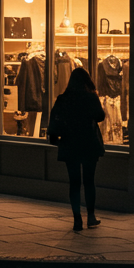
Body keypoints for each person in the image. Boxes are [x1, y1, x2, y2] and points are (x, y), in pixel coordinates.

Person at [49, 67, 105, 231]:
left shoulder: (63, 99)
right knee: (89, 181)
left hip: (70, 142)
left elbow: (54, 119)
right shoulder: (90, 97)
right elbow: (100, 116)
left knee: (74, 183)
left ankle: (77, 219)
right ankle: (91, 216)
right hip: (88, 142)